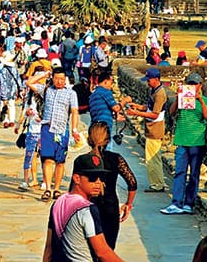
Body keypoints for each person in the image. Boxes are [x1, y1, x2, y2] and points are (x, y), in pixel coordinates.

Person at [41, 153, 124, 262]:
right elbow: (102, 252)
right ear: (77, 178)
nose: (98, 183)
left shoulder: (58, 203)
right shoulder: (86, 209)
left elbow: (49, 247)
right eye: (93, 178)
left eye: (101, 177)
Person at [160, 72, 207, 215]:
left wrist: (200, 100)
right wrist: (178, 98)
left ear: (200, 86)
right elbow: (171, 113)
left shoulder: (205, 101)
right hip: (182, 141)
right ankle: (176, 202)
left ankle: (189, 203)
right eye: (190, 84)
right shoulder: (182, 99)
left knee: (194, 174)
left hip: (197, 142)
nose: (192, 87)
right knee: (180, 173)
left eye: (195, 84)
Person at [27, 66, 81, 202]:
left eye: (62, 79)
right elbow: (29, 83)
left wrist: (74, 129)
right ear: (52, 79)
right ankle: (48, 189)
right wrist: (45, 74)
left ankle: (57, 188)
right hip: (47, 129)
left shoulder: (71, 93)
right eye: (57, 79)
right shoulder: (46, 90)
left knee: (60, 161)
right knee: (47, 160)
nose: (60, 82)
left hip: (62, 130)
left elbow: (74, 111)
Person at [85, 121, 137, 249]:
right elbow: (132, 183)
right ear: (108, 140)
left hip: (87, 209)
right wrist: (128, 204)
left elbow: (73, 190)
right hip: (110, 207)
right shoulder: (116, 158)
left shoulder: (82, 160)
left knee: (88, 250)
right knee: (108, 249)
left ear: (88, 139)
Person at [126, 67, 168, 192]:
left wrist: (136, 113)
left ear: (155, 79)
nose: (147, 82)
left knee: (153, 159)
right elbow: (150, 108)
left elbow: (155, 114)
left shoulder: (160, 94)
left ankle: (157, 184)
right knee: (152, 158)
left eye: (149, 80)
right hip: (151, 128)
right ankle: (157, 183)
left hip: (155, 129)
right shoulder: (154, 91)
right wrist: (139, 107)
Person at [15, 84, 44, 191]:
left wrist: (43, 120)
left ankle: (45, 181)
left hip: (44, 131)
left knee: (44, 157)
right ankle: (30, 180)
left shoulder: (47, 98)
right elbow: (25, 112)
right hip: (32, 131)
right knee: (30, 156)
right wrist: (19, 123)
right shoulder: (29, 98)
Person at [88, 72, 122, 142]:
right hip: (104, 126)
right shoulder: (105, 92)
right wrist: (125, 100)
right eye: (111, 82)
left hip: (94, 125)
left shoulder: (93, 95)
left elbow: (100, 110)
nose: (111, 85)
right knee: (105, 146)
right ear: (105, 82)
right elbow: (116, 108)